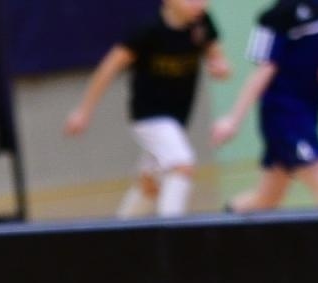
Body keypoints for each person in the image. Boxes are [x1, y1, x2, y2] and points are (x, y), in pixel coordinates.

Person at [64, 0, 230, 219]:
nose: (198, 3)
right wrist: (84, 111)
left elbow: (218, 60)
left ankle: (118, 238)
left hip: (178, 119)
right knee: (181, 164)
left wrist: (220, 68)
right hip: (148, 117)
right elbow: (109, 68)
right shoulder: (148, 29)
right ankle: (173, 235)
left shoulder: (202, 24)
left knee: (150, 188)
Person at [213, 0, 318, 213]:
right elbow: (262, 71)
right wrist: (233, 119)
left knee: (265, 200)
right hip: (284, 116)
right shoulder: (278, 15)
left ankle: (222, 233)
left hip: (310, 113)